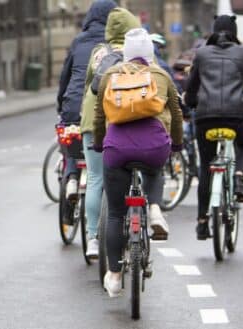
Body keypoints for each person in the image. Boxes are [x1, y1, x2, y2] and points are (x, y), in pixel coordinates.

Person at [93, 28, 183, 297]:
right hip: (153, 146)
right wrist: (175, 144)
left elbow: (99, 116)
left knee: (116, 214)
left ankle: (114, 275)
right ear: (150, 53)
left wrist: (100, 144)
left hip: (117, 148)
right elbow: (176, 114)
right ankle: (155, 208)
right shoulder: (161, 75)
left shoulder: (110, 75)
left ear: (126, 52)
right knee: (155, 169)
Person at [184, 15, 243, 240]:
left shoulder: (200, 54)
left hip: (205, 116)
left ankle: (202, 222)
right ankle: (239, 175)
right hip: (237, 115)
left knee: (205, 168)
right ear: (234, 32)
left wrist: (189, 103)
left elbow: (192, 87)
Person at [78, 6, 139, 258]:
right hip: (126, 122)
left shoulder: (98, 53)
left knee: (94, 178)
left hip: (93, 122)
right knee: (136, 172)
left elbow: (87, 88)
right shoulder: (138, 52)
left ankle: (92, 238)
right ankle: (135, 222)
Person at [57, 0, 117, 201]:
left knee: (71, 139)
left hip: (73, 105)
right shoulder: (114, 43)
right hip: (104, 109)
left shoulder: (79, 41)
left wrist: (61, 105)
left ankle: (72, 177)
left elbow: (65, 77)